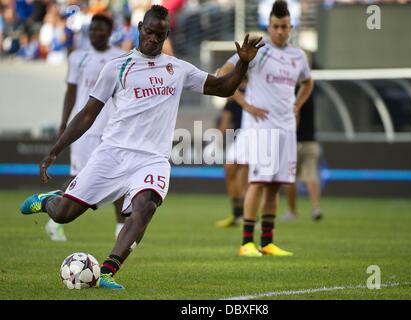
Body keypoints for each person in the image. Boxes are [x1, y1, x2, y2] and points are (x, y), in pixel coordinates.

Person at [20, 5, 264, 289]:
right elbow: (88, 113)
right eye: (148, 32)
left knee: (145, 207)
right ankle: (48, 200)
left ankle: (108, 271)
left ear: (167, 34)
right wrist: (55, 149)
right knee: (63, 213)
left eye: (159, 34)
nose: (153, 38)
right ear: (139, 29)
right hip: (112, 154)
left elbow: (223, 87)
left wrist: (243, 63)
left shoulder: (178, 68)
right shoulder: (117, 68)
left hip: (152, 159)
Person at [225, 1, 314, 257]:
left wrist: (296, 107)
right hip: (262, 128)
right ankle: (246, 243)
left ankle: (267, 242)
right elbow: (224, 72)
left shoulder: (298, 56)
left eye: (284, 26)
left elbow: (308, 83)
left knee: (276, 186)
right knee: (258, 182)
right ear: (269, 26)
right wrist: (245, 104)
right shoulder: (258, 51)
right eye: (275, 26)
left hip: (286, 128)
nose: (280, 31)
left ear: (291, 27)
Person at [45, 14, 126, 242]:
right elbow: (71, 92)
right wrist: (64, 123)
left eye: (100, 30)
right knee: (78, 178)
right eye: (92, 30)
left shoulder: (120, 57)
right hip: (85, 130)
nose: (95, 34)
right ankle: (53, 218)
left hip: (112, 129)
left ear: (109, 32)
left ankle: (121, 229)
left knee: (118, 178)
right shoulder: (78, 57)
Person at [283, 92, 323, 221]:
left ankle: (292, 211)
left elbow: (295, 114)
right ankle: (316, 208)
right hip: (311, 142)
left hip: (294, 143)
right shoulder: (310, 94)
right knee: (311, 175)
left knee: (289, 178)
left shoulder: (290, 93)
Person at [214, 79, 248, 228]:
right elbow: (226, 119)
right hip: (241, 138)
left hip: (251, 137)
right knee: (237, 174)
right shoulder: (234, 96)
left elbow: (225, 121)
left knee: (242, 176)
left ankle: (245, 216)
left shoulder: (235, 95)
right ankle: (239, 214)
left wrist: (218, 139)